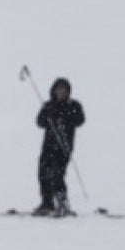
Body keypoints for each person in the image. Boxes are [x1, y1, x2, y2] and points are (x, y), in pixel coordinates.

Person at [33, 77, 84, 217]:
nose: (61, 92)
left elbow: (80, 120)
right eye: (58, 90)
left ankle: (63, 203)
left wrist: (66, 118)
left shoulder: (74, 105)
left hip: (64, 146)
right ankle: (47, 203)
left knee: (57, 174)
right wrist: (48, 116)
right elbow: (39, 122)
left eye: (64, 90)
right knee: (43, 173)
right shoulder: (48, 106)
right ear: (54, 91)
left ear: (68, 92)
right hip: (48, 146)